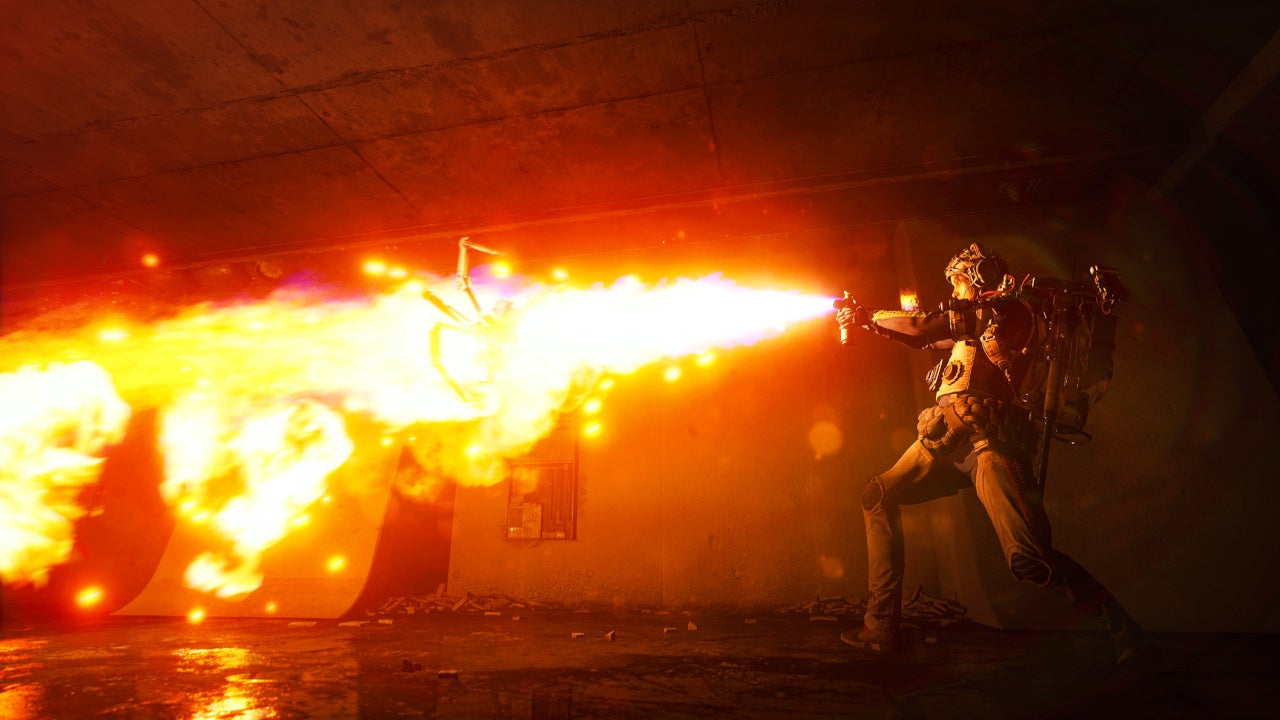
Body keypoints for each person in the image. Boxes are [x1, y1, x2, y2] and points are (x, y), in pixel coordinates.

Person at [835, 242, 1155, 666]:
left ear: (979, 276)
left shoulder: (1010, 311)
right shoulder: (975, 324)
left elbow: (924, 326)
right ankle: (880, 627)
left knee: (1030, 561)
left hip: (991, 442)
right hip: (946, 436)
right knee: (878, 495)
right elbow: (925, 336)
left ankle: (1125, 630)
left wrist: (867, 316)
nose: (954, 290)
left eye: (958, 281)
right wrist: (873, 324)